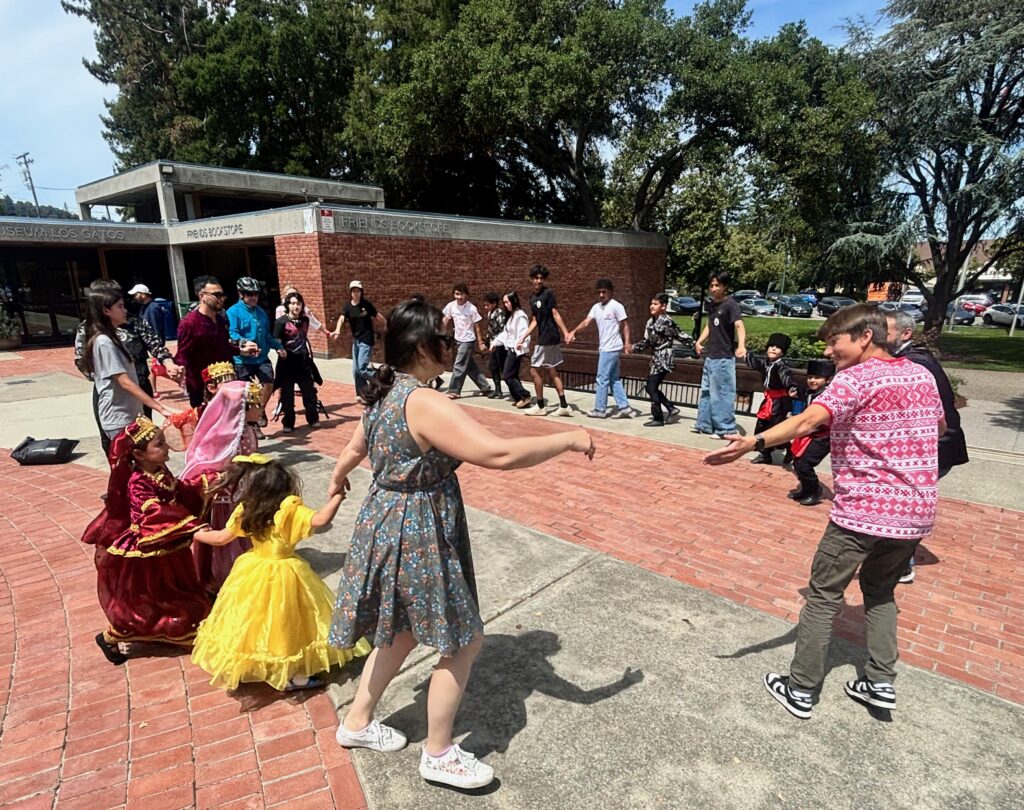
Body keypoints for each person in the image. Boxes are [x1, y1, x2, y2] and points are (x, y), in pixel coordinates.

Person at [328, 299, 595, 790]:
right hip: (418, 528)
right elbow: (497, 452)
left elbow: (353, 449)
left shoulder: (383, 393)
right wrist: (567, 437)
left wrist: (337, 479)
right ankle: (439, 753)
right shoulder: (423, 401)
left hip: (384, 520)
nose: (452, 347)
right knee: (464, 638)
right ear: (423, 347)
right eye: (445, 340)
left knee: (402, 629)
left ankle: (357, 722)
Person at [704, 304, 945, 720]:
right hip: (915, 514)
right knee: (881, 592)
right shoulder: (920, 374)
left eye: (835, 341)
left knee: (823, 596)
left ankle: (800, 689)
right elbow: (939, 428)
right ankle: (880, 681)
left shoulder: (854, 379)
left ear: (865, 337)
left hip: (863, 513)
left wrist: (752, 443)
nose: (830, 351)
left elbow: (806, 421)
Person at [190, 454, 371, 691]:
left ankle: (252, 664)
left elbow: (221, 537)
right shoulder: (288, 510)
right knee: (287, 623)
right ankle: (293, 675)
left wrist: (192, 531)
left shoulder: (247, 510)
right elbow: (321, 519)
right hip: (286, 572)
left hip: (252, 570)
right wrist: (337, 497)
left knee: (251, 621)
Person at [80, 418, 212, 665]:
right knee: (147, 598)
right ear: (139, 454)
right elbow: (152, 512)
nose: (166, 448)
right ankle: (111, 637)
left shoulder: (160, 470)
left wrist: (203, 486)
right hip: (148, 546)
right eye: (159, 444)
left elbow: (178, 491)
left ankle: (172, 626)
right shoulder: (138, 481)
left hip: (168, 542)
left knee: (170, 590)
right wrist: (191, 524)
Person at [884, 310, 969, 584]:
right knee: (898, 504)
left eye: (887, 331)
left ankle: (901, 564)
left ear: (906, 333)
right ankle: (895, 558)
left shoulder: (915, 364)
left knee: (901, 505)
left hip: (936, 449)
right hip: (932, 447)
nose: (879, 337)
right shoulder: (912, 359)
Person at [181, 377, 264, 594]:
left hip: (243, 493)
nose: (260, 409)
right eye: (256, 404)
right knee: (230, 541)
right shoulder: (237, 435)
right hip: (231, 498)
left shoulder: (245, 430)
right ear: (243, 408)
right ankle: (230, 579)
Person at [75, 280, 182, 431]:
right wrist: (105, 379)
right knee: (121, 444)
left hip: (139, 383)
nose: (124, 309)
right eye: (119, 305)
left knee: (146, 436)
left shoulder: (134, 322)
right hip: (114, 395)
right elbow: (82, 361)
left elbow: (156, 345)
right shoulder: (97, 335)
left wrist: (169, 363)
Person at [568, 278, 635, 419]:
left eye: (604, 292)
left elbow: (625, 324)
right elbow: (586, 322)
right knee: (613, 378)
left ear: (610, 292)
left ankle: (600, 409)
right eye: (599, 292)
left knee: (601, 378)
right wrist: (574, 331)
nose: (601, 295)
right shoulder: (596, 307)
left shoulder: (617, 306)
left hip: (611, 348)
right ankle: (624, 407)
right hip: (605, 347)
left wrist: (627, 342)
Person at [693, 271, 746, 436]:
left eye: (717, 285)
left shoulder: (731, 305)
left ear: (725, 287)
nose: (714, 288)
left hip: (724, 357)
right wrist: (699, 341)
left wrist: (741, 345)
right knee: (707, 391)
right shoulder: (712, 305)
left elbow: (739, 325)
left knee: (722, 394)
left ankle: (725, 428)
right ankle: (705, 424)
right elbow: (710, 325)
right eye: (711, 285)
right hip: (711, 356)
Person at [175, 275, 240, 409]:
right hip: (201, 387)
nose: (221, 298)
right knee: (207, 426)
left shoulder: (222, 320)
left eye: (222, 294)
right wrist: (178, 368)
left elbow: (222, 346)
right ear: (202, 296)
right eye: (217, 294)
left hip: (226, 381)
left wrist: (241, 350)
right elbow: (182, 354)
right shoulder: (189, 323)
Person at [517, 265, 572, 417]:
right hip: (547, 337)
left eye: (541, 278)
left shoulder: (548, 294)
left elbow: (555, 313)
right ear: (531, 279)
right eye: (536, 278)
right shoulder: (532, 298)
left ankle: (541, 406)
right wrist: (523, 336)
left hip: (548, 337)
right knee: (552, 370)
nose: (539, 281)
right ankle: (564, 406)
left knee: (534, 370)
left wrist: (566, 332)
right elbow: (535, 320)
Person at [227, 276, 284, 424]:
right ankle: (250, 421)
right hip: (243, 359)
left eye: (256, 294)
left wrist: (279, 347)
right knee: (245, 392)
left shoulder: (261, 312)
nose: (253, 297)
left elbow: (267, 335)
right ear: (241, 294)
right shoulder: (233, 312)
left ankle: (259, 410)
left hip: (261, 357)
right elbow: (232, 333)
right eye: (249, 294)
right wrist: (245, 343)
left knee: (269, 382)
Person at [630, 293, 685, 427]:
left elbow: (680, 335)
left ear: (663, 306)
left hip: (665, 357)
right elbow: (647, 342)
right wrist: (634, 348)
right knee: (650, 386)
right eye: (651, 304)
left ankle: (658, 417)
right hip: (656, 358)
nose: (652, 306)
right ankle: (671, 408)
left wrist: (695, 344)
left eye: (655, 304)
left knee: (651, 386)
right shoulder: (650, 322)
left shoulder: (667, 321)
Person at [786, 358, 835, 506]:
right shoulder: (810, 392)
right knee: (798, 462)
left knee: (804, 464)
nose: (812, 380)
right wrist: (794, 391)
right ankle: (807, 489)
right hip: (809, 433)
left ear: (828, 380)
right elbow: (801, 392)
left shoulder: (829, 395)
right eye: (809, 377)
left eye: (817, 378)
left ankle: (815, 491)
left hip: (823, 436)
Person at [273, 291, 322, 432]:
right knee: (287, 396)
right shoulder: (281, 322)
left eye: (298, 304)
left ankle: (313, 419)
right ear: (288, 305)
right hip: (287, 363)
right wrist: (279, 350)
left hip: (303, 362)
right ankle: (288, 423)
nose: (296, 306)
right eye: (293, 303)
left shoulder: (305, 320)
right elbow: (276, 339)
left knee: (309, 393)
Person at [332, 280, 386, 398]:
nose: (356, 293)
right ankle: (362, 394)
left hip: (366, 340)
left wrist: (387, 325)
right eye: (354, 291)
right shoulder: (348, 306)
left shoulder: (366, 305)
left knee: (362, 368)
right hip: (356, 341)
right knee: (356, 370)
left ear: (361, 292)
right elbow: (341, 319)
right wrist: (337, 330)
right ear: (351, 293)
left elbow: (377, 316)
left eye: (358, 291)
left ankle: (382, 380)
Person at [745, 333, 794, 464]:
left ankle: (790, 450)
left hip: (779, 403)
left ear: (782, 352)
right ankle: (765, 454)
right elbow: (755, 364)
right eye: (771, 346)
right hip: (769, 400)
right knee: (761, 426)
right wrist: (745, 353)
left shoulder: (781, 366)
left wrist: (791, 388)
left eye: (777, 347)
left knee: (776, 429)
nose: (773, 349)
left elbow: (787, 379)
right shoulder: (766, 364)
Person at [442, 283, 493, 399]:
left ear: (467, 295)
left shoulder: (471, 309)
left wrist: (480, 342)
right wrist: (439, 332)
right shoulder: (451, 306)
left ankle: (454, 390)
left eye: (462, 294)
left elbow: (477, 326)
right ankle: (485, 387)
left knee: (459, 364)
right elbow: (446, 319)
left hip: (468, 340)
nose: (459, 297)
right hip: (457, 340)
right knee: (469, 366)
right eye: (457, 294)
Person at [499, 291, 532, 408]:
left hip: (516, 350)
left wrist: (521, 343)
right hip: (510, 348)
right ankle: (519, 398)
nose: (505, 305)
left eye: (507, 302)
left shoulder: (520, 315)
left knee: (507, 375)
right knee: (513, 375)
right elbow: (505, 333)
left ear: (513, 301)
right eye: (504, 302)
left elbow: (525, 332)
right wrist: (495, 342)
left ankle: (525, 395)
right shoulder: (511, 316)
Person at [482, 291, 508, 399]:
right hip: (492, 344)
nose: (485, 307)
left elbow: (502, 329)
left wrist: (496, 341)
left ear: (494, 303)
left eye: (487, 305)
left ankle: (514, 389)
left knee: (503, 368)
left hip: (499, 344)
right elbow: (490, 329)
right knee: (493, 367)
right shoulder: (490, 313)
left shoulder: (499, 313)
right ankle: (498, 390)